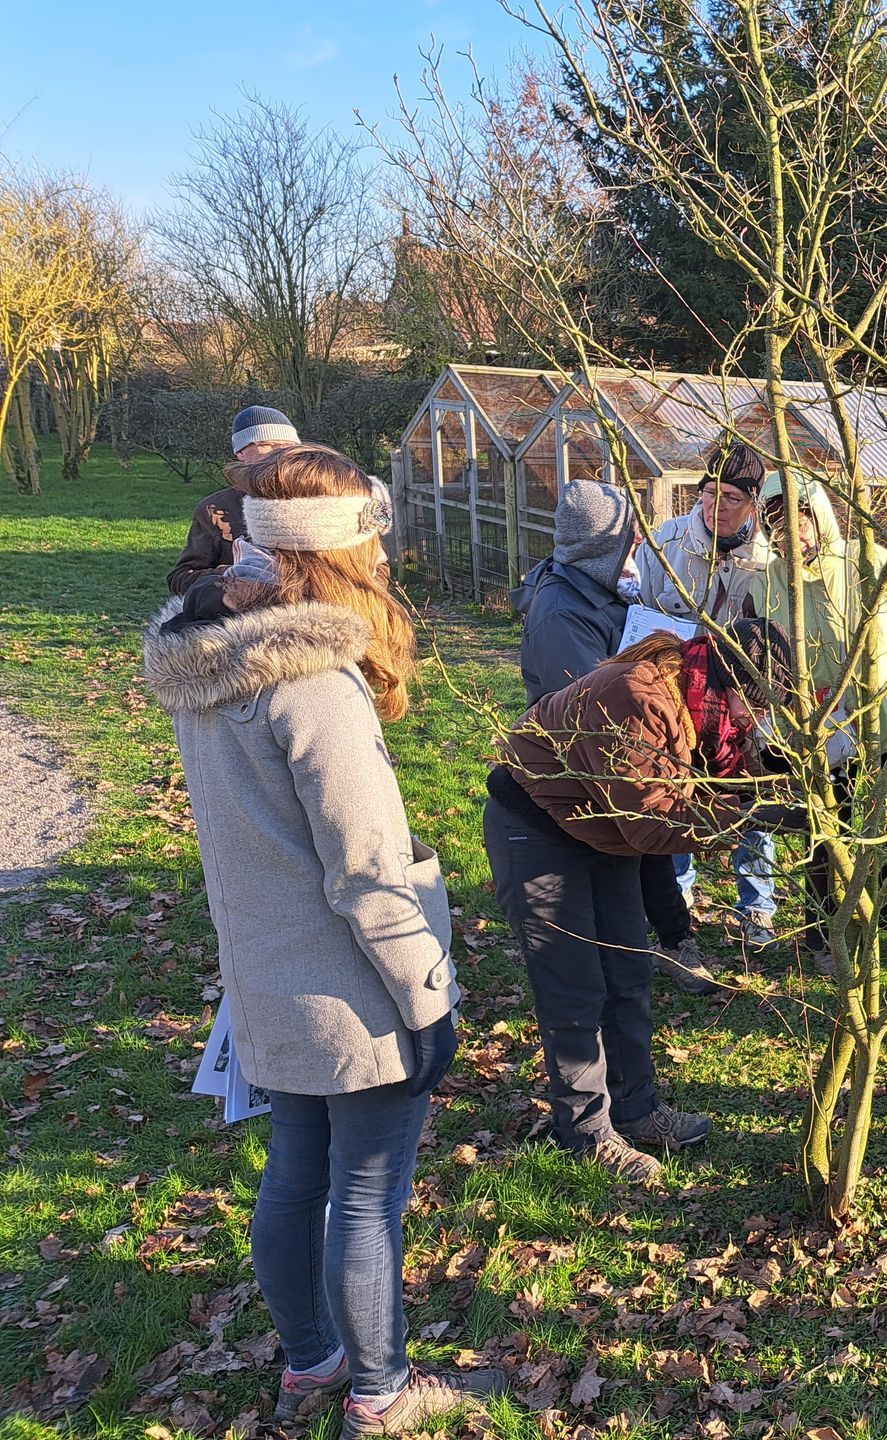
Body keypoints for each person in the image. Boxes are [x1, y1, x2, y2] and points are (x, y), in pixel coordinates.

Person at [141, 444, 504, 1435]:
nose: (387, 559)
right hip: (354, 993)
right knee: (367, 1195)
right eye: (373, 542)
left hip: (266, 977)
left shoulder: (211, 661)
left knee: (296, 1173)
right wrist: (427, 1002)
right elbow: (368, 873)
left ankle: (312, 1363)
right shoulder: (314, 688)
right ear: (338, 554)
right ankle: (380, 1393)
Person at [484, 619, 793, 1183]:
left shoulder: (702, 709)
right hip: (536, 831)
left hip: (602, 830)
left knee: (627, 974)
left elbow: (710, 778)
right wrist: (752, 816)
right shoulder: (638, 697)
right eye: (760, 705)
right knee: (575, 986)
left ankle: (636, 1108)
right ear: (730, 686)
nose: (760, 721)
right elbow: (651, 825)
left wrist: (774, 782)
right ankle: (586, 1133)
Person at [511, 479, 718, 995]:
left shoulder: (603, 590)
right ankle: (666, 943)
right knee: (643, 838)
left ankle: (665, 940)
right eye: (627, 536)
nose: (637, 544)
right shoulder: (562, 611)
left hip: (617, 746)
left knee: (645, 847)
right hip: (583, 757)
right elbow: (590, 704)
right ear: (600, 544)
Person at [751, 471, 887, 970]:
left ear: (818, 516)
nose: (789, 532)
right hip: (815, 728)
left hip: (883, 715)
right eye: (775, 522)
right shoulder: (766, 583)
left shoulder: (867, 560)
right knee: (823, 828)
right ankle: (823, 934)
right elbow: (761, 658)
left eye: (798, 519)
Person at [628, 442, 780, 947]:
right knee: (676, 790)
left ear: (754, 503)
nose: (716, 505)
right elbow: (641, 615)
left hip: (742, 702)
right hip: (675, 696)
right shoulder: (666, 544)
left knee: (752, 795)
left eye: (731, 497)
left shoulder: (769, 559)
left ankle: (757, 907)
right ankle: (679, 898)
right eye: (709, 493)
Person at [167, 405, 301, 596]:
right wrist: (235, 574)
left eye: (289, 445)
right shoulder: (216, 509)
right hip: (245, 611)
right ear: (241, 453)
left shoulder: (321, 499)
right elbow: (180, 579)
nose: (281, 452)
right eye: (268, 444)